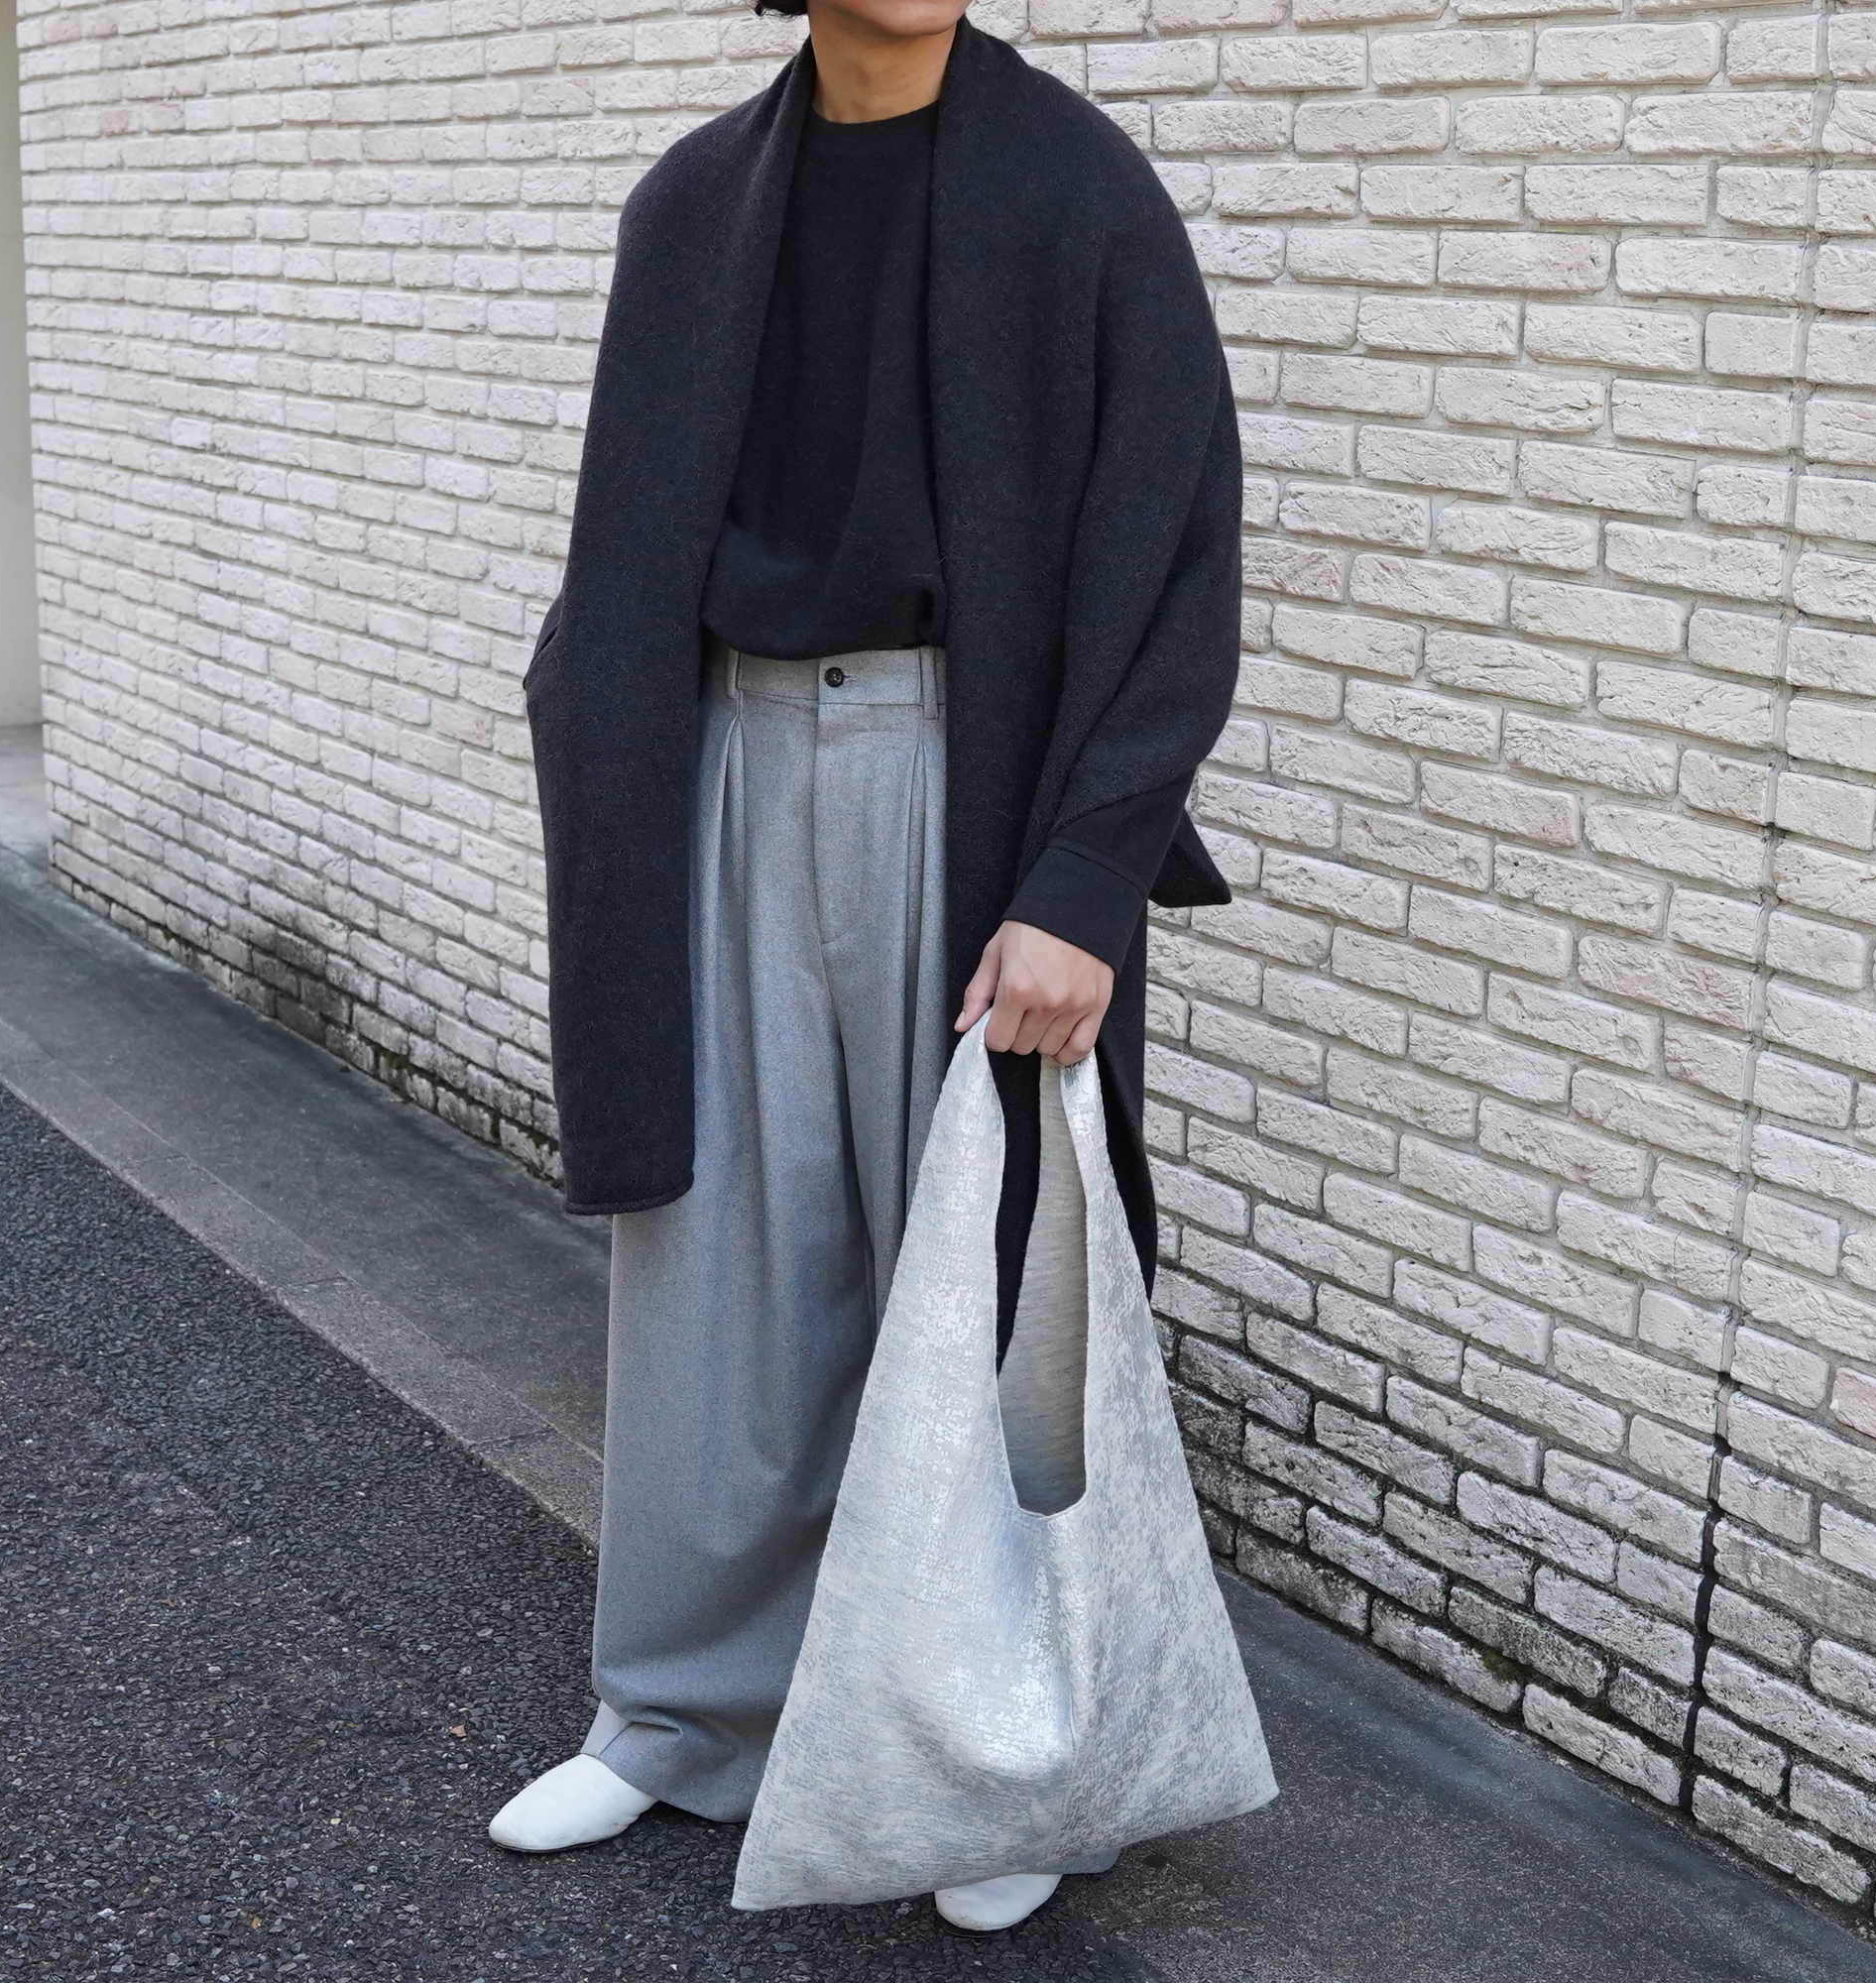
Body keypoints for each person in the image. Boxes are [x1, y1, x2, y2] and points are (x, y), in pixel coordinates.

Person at [492, 0, 1241, 1934]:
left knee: (989, 1274)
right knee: (715, 1256)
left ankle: (1015, 1765)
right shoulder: (691, 206)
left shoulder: (1080, 196)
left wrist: (1085, 879)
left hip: (960, 774)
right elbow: (621, 545)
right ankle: (686, 1712)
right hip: (728, 763)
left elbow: (1180, 562)